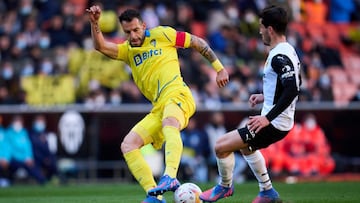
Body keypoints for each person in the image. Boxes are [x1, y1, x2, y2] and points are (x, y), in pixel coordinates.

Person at [86, 6, 229, 203]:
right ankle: (155, 196)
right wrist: (95, 23)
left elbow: (197, 42)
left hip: (178, 95)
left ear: (143, 25)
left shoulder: (163, 34)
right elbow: (100, 46)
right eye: (127, 32)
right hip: (159, 107)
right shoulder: (127, 51)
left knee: (170, 122)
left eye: (136, 30)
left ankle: (170, 176)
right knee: (129, 145)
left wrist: (219, 68)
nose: (133, 35)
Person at [200, 5, 301, 203]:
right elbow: (295, 83)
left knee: (220, 146)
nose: (260, 31)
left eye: (261, 27)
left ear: (270, 29)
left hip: (274, 123)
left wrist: (267, 118)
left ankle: (225, 186)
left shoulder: (279, 56)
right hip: (279, 121)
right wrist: (266, 96)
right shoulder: (289, 51)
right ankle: (267, 192)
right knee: (247, 148)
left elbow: (292, 89)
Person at [29, 114, 58, 181]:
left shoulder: (48, 134)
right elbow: (33, 150)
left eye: (42, 121)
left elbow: (51, 150)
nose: (40, 123)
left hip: (46, 159)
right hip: (35, 159)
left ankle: (56, 178)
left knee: (53, 163)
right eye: (38, 120)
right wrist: (43, 159)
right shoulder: (30, 134)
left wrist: (48, 158)